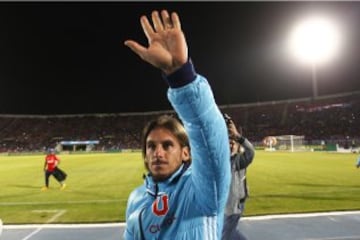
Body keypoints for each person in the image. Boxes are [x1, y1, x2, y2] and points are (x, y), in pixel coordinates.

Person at [123, 9, 231, 239]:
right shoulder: (136, 199)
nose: (157, 152)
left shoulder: (201, 191)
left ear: (185, 153)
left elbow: (207, 135)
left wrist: (180, 76)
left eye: (167, 145)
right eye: (151, 146)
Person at [222, 113, 255, 240]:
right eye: (228, 143)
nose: (231, 145)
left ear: (237, 145)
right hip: (224, 205)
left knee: (225, 234)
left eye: (233, 143)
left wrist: (237, 136)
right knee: (229, 233)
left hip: (235, 206)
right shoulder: (221, 161)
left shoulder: (240, 161)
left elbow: (251, 151)